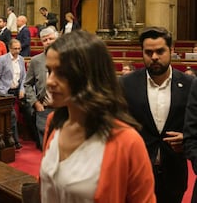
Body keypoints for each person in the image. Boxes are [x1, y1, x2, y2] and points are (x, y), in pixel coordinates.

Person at [40, 30, 155, 202]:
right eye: (49, 71)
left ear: (87, 76)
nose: (49, 81)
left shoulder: (127, 141)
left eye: (61, 72)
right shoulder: (54, 123)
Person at [120, 26, 193, 203]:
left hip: (173, 172)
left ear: (172, 50)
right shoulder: (125, 84)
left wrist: (187, 138)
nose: (154, 57)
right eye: (148, 52)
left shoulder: (190, 84)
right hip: (136, 171)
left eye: (160, 51)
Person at [24, 27, 58, 149]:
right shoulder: (36, 61)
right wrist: (35, 103)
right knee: (45, 147)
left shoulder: (67, 57)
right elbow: (27, 84)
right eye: (45, 40)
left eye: (51, 38)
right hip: (44, 109)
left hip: (63, 109)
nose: (48, 42)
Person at [0, 39, 26, 149]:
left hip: (16, 91)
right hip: (4, 92)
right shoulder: (2, 59)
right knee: (12, 116)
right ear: (10, 48)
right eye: (15, 49)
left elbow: (24, 76)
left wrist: (22, 89)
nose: (17, 51)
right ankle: (15, 142)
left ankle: (15, 139)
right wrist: (2, 91)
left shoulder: (21, 59)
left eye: (19, 48)